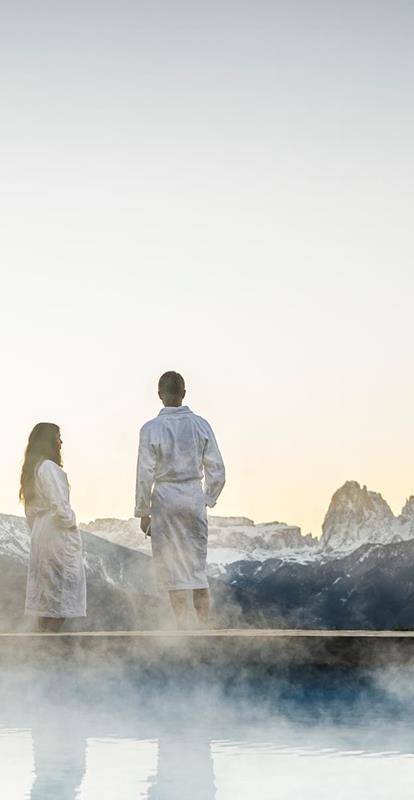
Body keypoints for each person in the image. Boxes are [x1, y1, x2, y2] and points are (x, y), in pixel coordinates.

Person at [135, 372, 225, 628]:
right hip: (192, 495)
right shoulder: (200, 425)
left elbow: (144, 474)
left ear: (159, 394)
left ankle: (184, 629)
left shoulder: (150, 428)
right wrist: (207, 498)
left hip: (164, 499)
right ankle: (205, 628)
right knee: (197, 568)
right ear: (184, 393)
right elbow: (217, 469)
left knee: (173, 570)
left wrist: (143, 511)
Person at [19, 422, 86, 632]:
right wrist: (71, 525)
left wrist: (40, 530)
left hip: (42, 533)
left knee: (47, 597)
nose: (61, 442)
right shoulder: (49, 468)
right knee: (61, 595)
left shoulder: (33, 471)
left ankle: (43, 650)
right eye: (58, 438)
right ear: (48, 441)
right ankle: (49, 645)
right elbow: (60, 507)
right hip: (57, 535)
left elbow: (30, 512)